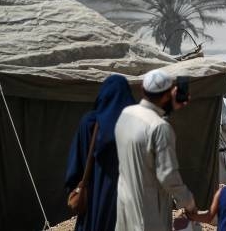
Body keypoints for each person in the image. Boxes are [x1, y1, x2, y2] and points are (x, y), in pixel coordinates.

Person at [115, 68, 198, 230]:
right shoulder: (160, 127)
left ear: (142, 89)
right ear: (168, 94)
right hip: (148, 211)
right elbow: (168, 177)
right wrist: (189, 202)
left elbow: (147, 133)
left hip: (125, 205)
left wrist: (169, 109)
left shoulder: (126, 114)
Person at [64, 74, 136, 231]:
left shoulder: (90, 123)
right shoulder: (138, 125)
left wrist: (75, 186)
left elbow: (76, 163)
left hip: (95, 200)